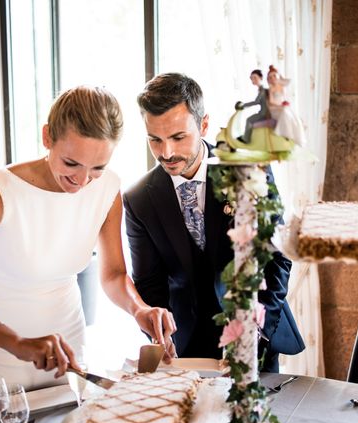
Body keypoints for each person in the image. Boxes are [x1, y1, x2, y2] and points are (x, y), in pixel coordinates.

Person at [0, 86, 176, 392]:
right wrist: (15, 342)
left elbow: (113, 275)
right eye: (71, 163)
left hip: (68, 347)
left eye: (97, 167)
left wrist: (139, 309)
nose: (82, 181)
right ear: (47, 137)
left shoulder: (108, 188)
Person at [123, 73, 304, 371]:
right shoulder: (138, 199)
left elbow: (277, 256)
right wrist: (159, 334)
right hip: (185, 348)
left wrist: (256, 332)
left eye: (178, 137)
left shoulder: (248, 168)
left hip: (257, 338)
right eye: (155, 140)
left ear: (203, 124)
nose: (166, 153)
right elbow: (149, 285)